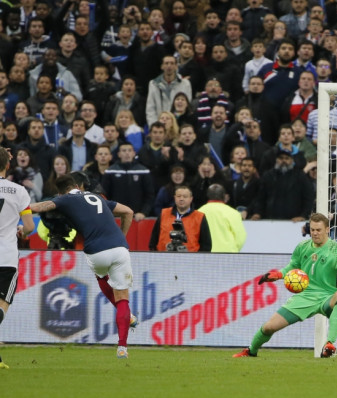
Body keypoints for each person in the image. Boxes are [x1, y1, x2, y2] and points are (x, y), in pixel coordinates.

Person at [232, 212, 337, 358]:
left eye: (318, 230)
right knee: (268, 327)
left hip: (328, 297)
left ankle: (329, 344)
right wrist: (278, 275)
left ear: (327, 229)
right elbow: (292, 267)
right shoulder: (302, 247)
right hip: (305, 297)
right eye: (312, 230)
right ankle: (251, 351)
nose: (315, 233)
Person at [29, 174, 138, 359]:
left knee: (101, 276)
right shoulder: (98, 197)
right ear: (78, 185)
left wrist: (14, 204)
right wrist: (122, 236)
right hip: (120, 248)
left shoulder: (65, 199)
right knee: (123, 299)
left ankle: (130, 317)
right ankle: (122, 348)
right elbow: (128, 211)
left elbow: (38, 207)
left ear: (60, 191)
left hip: (96, 251)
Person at [0, 147, 36, 368]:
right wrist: (22, 229)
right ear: (7, 165)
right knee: (1, 308)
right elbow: (30, 226)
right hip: (6, 256)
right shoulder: (18, 191)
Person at [149, 185, 212, 252]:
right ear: (174, 198)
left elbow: (206, 245)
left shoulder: (199, 217)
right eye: (178, 196)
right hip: (164, 258)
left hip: (190, 260)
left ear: (191, 199)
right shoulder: (164, 213)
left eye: (185, 196)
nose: (181, 199)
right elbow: (153, 240)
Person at [198, 183, 247, 252]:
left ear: (208, 195)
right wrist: (234, 250)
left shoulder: (198, 212)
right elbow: (240, 237)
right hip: (228, 254)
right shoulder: (233, 213)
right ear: (224, 196)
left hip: (205, 255)